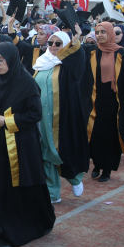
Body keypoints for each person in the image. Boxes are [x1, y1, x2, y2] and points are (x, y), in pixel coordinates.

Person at [0, 42, 56, 247]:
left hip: (21, 145)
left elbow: (35, 114)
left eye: (1, 60)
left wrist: (8, 122)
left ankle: (20, 227)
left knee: (21, 186)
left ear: (11, 59)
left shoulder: (26, 82)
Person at [32, 27, 88, 202]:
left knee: (63, 149)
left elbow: (78, 59)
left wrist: (76, 41)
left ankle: (74, 178)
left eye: (58, 43)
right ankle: (53, 193)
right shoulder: (41, 63)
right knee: (45, 151)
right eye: (51, 43)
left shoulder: (69, 67)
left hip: (63, 117)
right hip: (42, 117)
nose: (53, 46)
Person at [81, 22, 124, 182]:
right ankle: (97, 164)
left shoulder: (121, 53)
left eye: (103, 32)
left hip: (114, 103)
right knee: (94, 134)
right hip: (95, 101)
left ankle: (107, 169)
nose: (100, 35)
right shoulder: (92, 52)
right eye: (97, 32)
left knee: (111, 136)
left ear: (110, 33)